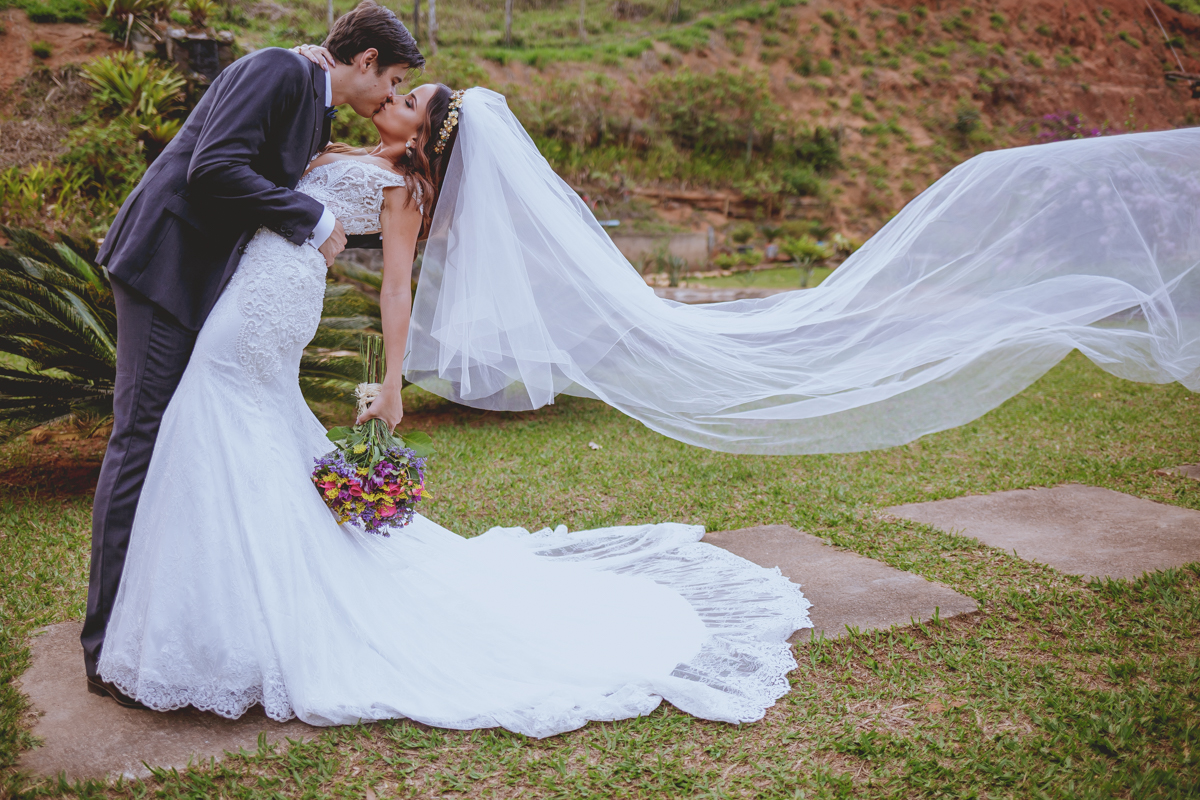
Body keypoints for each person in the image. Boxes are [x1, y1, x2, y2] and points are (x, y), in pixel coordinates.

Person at [83, 1, 423, 708]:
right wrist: (314, 218)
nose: (389, 96)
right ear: (363, 62)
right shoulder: (276, 69)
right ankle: (103, 638)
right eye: (390, 80)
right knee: (140, 439)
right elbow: (214, 169)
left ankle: (156, 620)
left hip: (204, 281)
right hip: (163, 267)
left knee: (178, 443)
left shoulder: (311, 99)